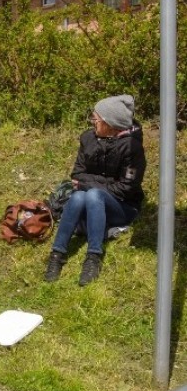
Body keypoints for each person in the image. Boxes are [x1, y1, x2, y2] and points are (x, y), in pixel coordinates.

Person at [44, 95, 146, 286]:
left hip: (123, 206)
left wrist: (89, 184)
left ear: (110, 123)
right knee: (78, 197)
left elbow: (126, 189)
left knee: (92, 194)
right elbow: (77, 173)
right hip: (93, 200)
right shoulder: (88, 138)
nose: (92, 121)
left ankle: (93, 257)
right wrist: (93, 185)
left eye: (96, 118)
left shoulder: (132, 147)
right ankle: (57, 254)